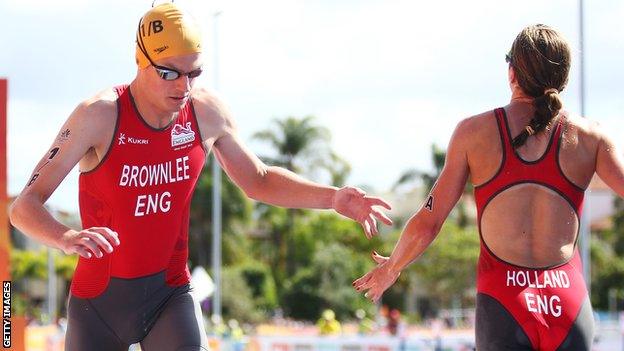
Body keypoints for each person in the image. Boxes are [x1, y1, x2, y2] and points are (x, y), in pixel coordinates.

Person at [8, 3, 392, 351]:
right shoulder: (99, 115)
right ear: (141, 61)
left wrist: (332, 197)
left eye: (194, 72)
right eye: (169, 73)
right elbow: (24, 206)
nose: (184, 86)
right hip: (100, 304)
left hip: (170, 294)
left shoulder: (206, 112)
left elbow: (256, 179)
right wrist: (66, 237)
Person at [354, 24, 624, 351]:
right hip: (569, 304)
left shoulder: (475, 133)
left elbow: (430, 220)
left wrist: (392, 268)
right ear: (564, 79)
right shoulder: (591, 137)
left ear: (512, 73)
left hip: (504, 304)